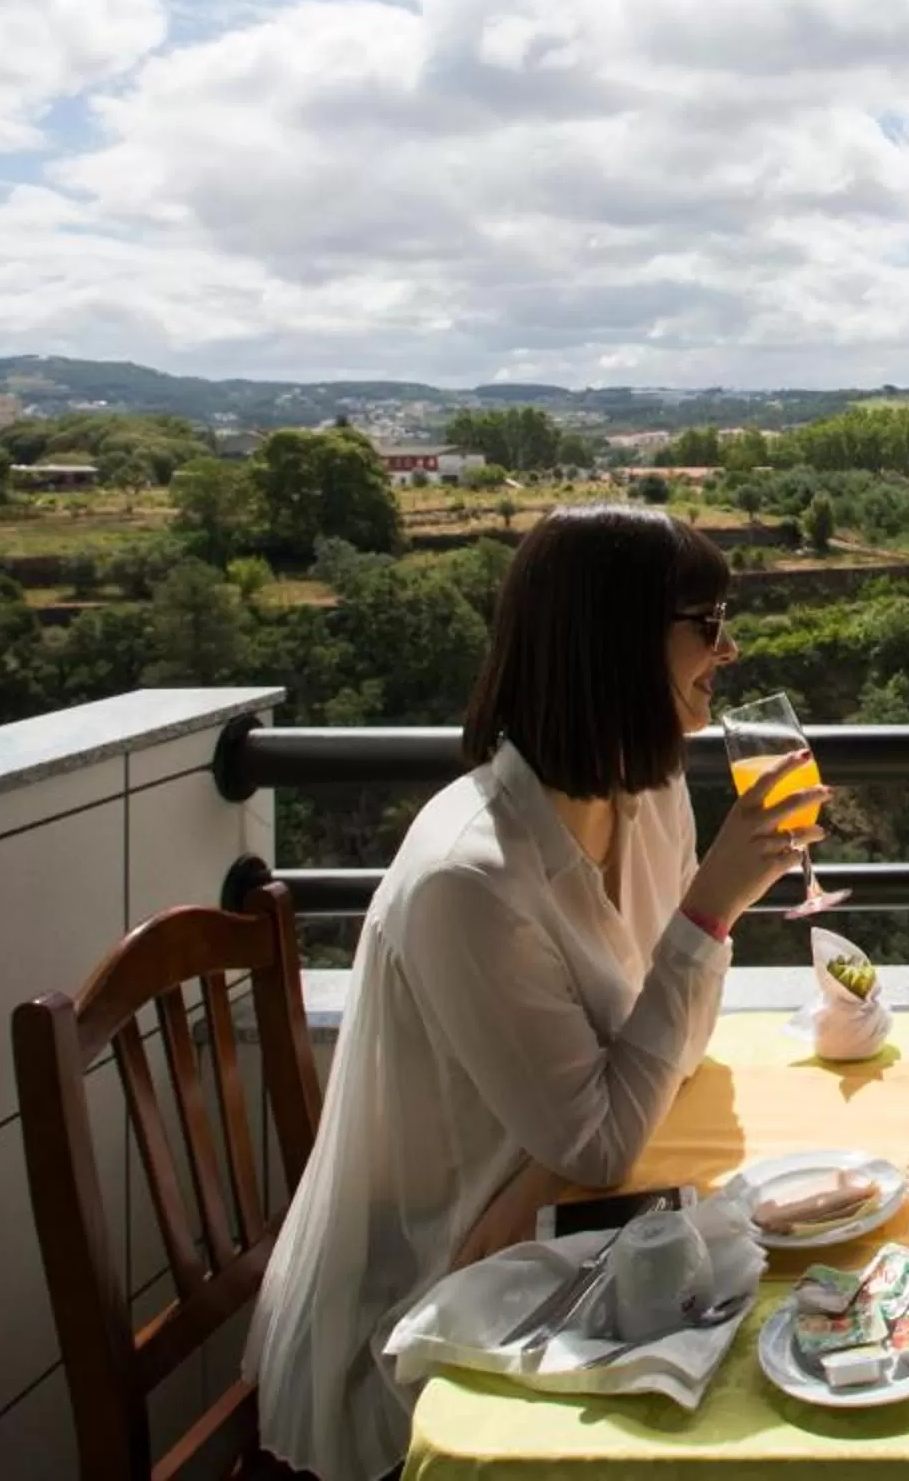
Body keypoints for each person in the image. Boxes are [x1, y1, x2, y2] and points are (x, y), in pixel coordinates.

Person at [249, 506, 821, 1481]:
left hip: (559, 1229)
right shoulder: (470, 878)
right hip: (435, 1306)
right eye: (707, 620)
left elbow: (672, 1052)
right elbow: (600, 1136)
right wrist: (710, 909)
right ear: (617, 644)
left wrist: (558, 1159)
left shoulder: (648, 796)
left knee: (801, 1294)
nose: (729, 648)